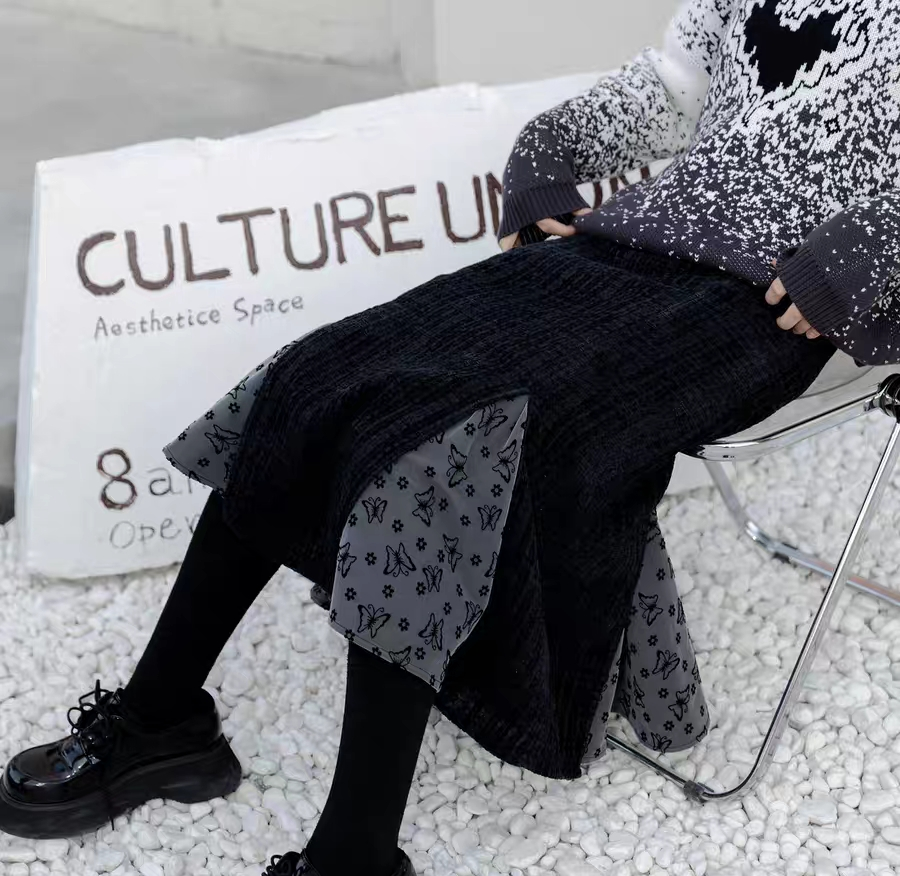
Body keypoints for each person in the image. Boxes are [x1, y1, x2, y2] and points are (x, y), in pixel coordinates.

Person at [2, 1, 899, 874]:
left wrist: (876, 246)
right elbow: (666, 92)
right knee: (317, 374)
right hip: (623, 246)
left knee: (453, 451)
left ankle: (353, 854)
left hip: (780, 305)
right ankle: (161, 720)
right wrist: (548, 152)